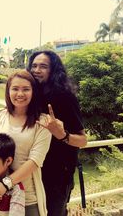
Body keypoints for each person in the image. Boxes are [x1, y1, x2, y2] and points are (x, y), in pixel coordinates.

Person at [0, 70, 52, 216]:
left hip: (28, 198)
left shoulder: (43, 122)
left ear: (33, 92)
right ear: (8, 91)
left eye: (26, 89)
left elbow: (34, 161)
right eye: (15, 89)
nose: (20, 94)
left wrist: (5, 185)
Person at [27, 50, 87, 216]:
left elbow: (83, 140)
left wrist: (62, 134)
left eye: (43, 66)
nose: (37, 70)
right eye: (34, 66)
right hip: (32, 171)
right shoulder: (32, 96)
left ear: (53, 71)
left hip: (58, 175)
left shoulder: (64, 97)